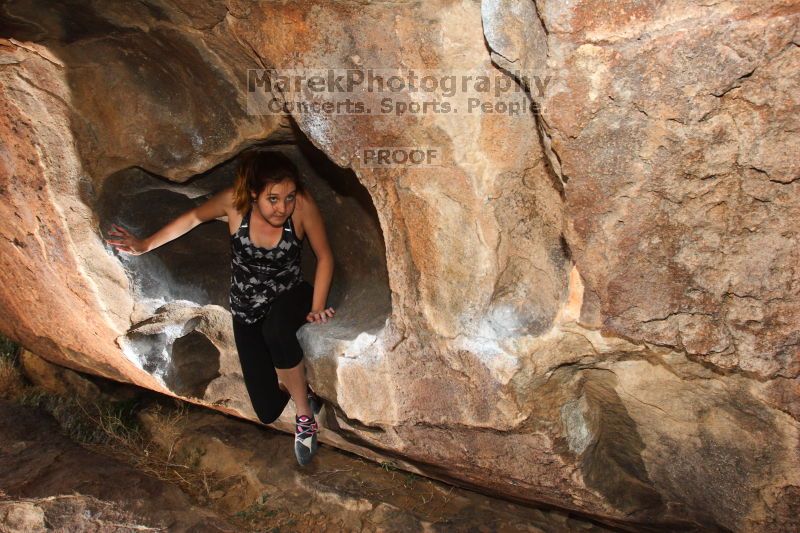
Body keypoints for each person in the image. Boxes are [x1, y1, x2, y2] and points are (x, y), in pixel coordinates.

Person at [105, 150, 335, 466]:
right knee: (267, 411)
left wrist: (317, 306)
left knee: (277, 329)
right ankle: (300, 387)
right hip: (246, 312)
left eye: (289, 197)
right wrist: (145, 244)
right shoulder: (234, 203)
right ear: (254, 194)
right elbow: (194, 217)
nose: (283, 207)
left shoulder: (302, 208)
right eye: (273, 199)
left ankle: (305, 417)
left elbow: (324, 256)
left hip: (291, 296)